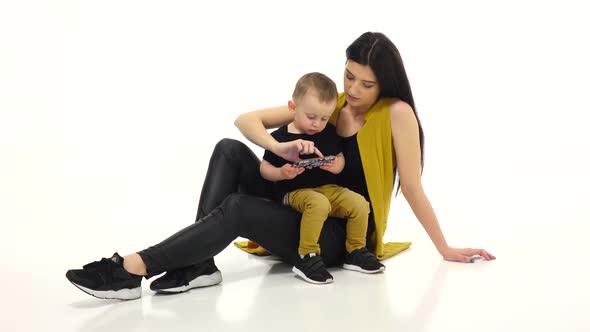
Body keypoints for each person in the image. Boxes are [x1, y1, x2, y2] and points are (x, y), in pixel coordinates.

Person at [65, 32, 496, 301]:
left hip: (337, 231)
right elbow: (246, 120)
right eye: (349, 76)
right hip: (298, 201)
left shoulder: (397, 113)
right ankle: (197, 266)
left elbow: (415, 187)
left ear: (386, 82)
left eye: (367, 83)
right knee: (229, 149)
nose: (354, 89)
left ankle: (134, 267)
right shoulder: (330, 103)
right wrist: (278, 147)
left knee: (236, 207)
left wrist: (445, 247)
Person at [260, 72, 384, 285]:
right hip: (294, 192)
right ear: (293, 107)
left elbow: (340, 158)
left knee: (359, 204)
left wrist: (337, 166)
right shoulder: (280, 137)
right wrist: (281, 173)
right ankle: (306, 255)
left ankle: (355, 250)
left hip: (328, 188)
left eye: (324, 118)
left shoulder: (328, 133)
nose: (317, 124)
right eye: (311, 117)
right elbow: (264, 168)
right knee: (318, 204)